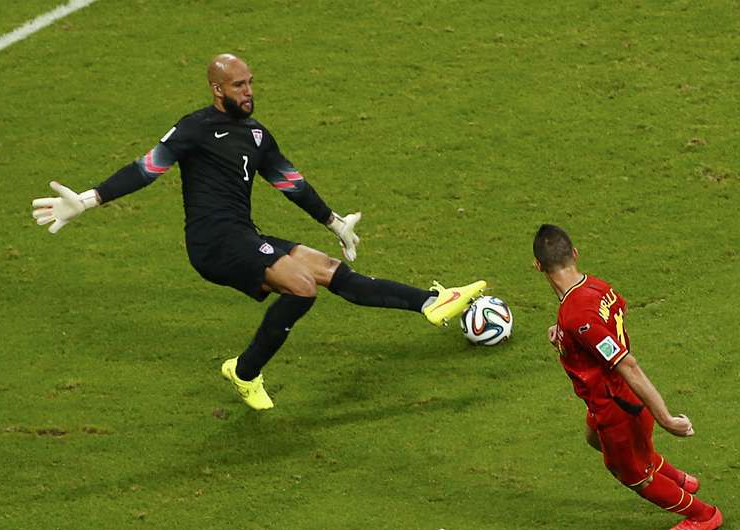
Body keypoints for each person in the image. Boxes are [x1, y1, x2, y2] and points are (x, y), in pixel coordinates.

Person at [31, 53, 486, 410]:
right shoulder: (194, 129)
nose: (248, 92)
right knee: (302, 286)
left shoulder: (256, 135)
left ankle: (430, 303)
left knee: (326, 270)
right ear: (217, 89)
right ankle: (245, 372)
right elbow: (146, 170)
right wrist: (87, 201)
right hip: (213, 243)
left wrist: (335, 222)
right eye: (238, 85)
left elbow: (292, 183)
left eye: (250, 83)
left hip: (243, 234)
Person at [532, 224, 722, 530]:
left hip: (617, 402)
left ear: (538, 266)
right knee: (594, 438)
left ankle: (704, 515)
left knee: (630, 473)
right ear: (574, 254)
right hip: (605, 399)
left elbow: (628, 365)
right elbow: (612, 313)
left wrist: (666, 419)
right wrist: (564, 333)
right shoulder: (596, 288)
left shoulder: (579, 317)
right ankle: (679, 479)